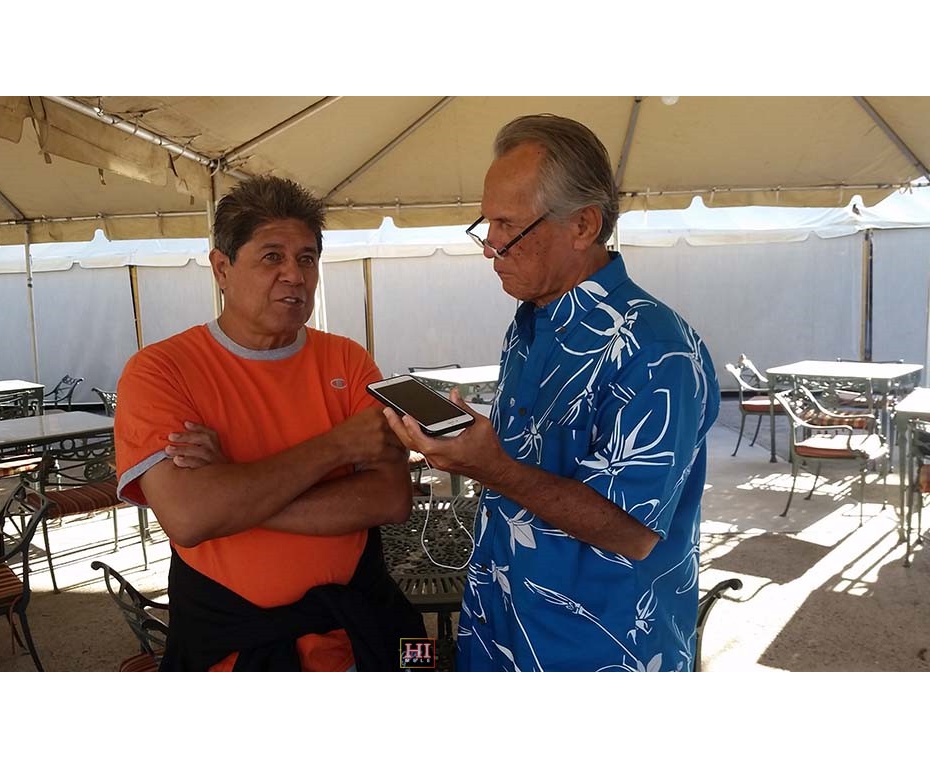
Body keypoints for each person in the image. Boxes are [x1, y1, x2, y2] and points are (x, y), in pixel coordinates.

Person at [383, 114, 720, 671]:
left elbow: (633, 532)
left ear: (583, 225)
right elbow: (531, 460)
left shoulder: (656, 350)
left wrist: (490, 467)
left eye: (507, 226)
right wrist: (474, 447)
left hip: (596, 650)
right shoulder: (531, 321)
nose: (490, 247)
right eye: (486, 223)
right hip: (501, 625)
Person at [114, 174, 424, 671]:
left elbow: (390, 499)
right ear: (222, 268)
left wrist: (231, 487)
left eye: (307, 258)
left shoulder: (347, 360)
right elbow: (190, 518)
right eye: (272, 256)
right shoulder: (160, 370)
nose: (294, 275)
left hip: (354, 633)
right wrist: (337, 446)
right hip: (233, 647)